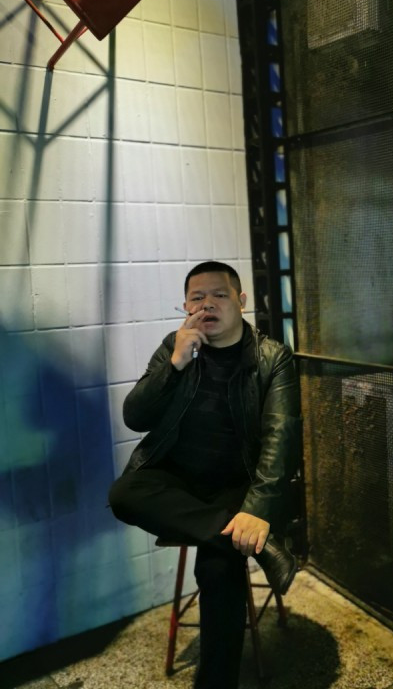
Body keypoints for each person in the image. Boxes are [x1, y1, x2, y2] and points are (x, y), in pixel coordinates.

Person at [108, 261, 301, 689]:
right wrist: (175, 363)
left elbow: (281, 438)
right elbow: (135, 417)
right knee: (123, 493)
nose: (207, 304)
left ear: (241, 301)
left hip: (239, 483)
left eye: (219, 295)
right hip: (179, 482)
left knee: (218, 570)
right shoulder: (175, 346)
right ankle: (261, 546)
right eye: (197, 297)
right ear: (186, 307)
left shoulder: (272, 357)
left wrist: (257, 510)